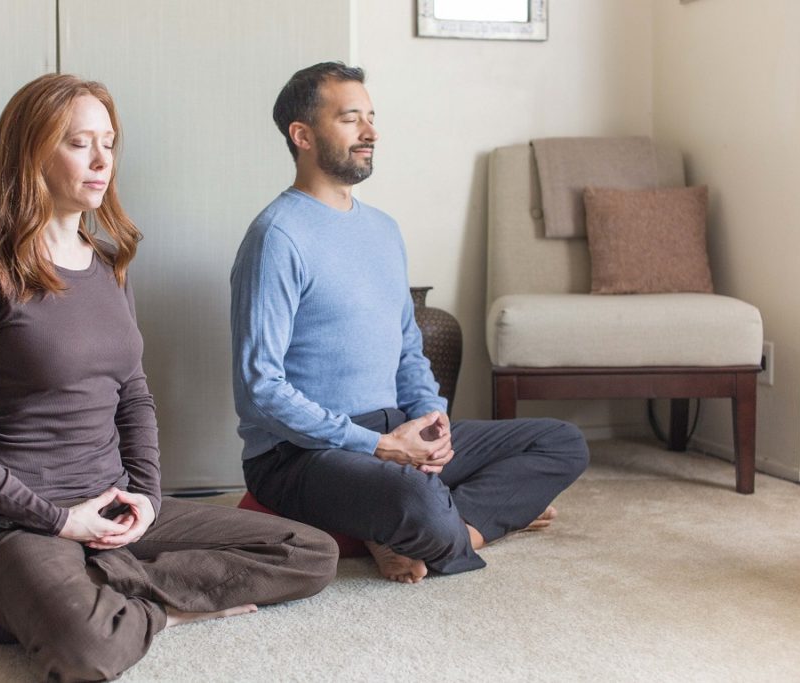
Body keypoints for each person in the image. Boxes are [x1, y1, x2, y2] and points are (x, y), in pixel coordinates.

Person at [0, 73, 338, 683]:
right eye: (78, 143)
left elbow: (133, 395)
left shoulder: (110, 264)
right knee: (88, 650)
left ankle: (109, 585)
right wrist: (61, 523)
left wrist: (143, 495)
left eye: (108, 143)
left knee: (311, 553)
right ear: (32, 152)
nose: (100, 160)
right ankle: (156, 611)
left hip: (116, 505)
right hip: (22, 517)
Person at [230, 62, 589, 585]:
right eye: (351, 119)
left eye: (371, 118)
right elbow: (260, 389)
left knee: (562, 443)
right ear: (302, 135)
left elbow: (407, 347)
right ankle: (460, 520)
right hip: (303, 454)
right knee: (416, 499)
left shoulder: (383, 229)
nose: (371, 132)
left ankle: (446, 529)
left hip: (394, 433)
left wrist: (430, 422)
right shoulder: (276, 237)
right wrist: (378, 447)